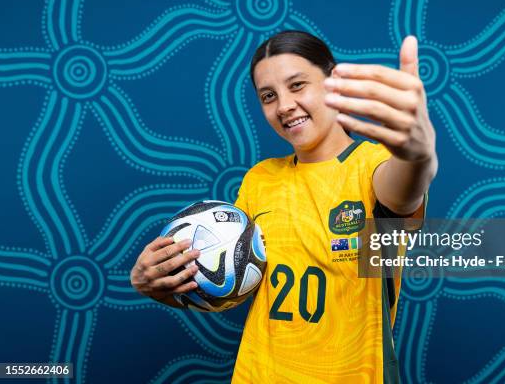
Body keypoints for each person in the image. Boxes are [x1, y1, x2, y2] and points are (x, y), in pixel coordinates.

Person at [131, 30, 437, 383]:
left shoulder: (375, 165)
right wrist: (158, 286)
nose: (284, 105)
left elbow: (405, 190)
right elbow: (226, 288)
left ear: (333, 82)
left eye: (297, 85)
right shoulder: (260, 179)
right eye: (268, 96)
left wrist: (418, 154)